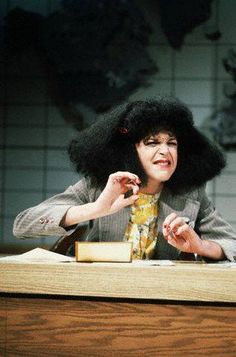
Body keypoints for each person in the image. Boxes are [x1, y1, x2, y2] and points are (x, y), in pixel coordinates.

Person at [13, 96, 236, 261]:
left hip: (161, 299)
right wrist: (97, 208)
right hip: (97, 294)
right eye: (152, 143)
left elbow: (231, 244)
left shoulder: (190, 193)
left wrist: (201, 246)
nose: (165, 151)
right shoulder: (101, 186)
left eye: (172, 143)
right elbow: (23, 225)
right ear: (131, 152)